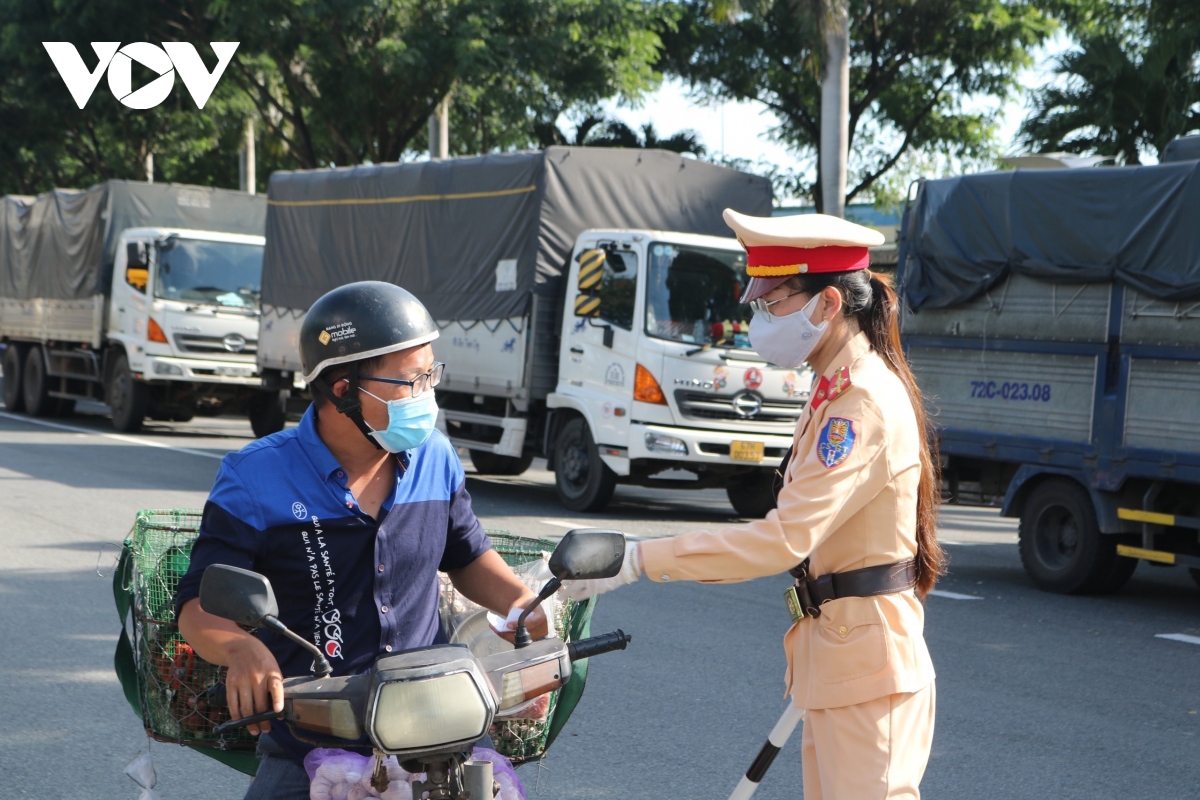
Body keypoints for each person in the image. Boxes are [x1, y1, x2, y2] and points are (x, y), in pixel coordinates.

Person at [565, 210, 946, 800]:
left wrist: (637, 559)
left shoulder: (860, 402)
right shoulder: (833, 389)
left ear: (827, 304)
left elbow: (782, 539)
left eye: (773, 303)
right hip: (841, 660)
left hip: (869, 669)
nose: (757, 320)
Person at [175, 280, 547, 799]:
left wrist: (520, 602)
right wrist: (240, 648)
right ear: (343, 389)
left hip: (438, 731)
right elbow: (197, 605)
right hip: (310, 739)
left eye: (430, 375)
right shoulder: (254, 477)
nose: (426, 394)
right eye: (410, 381)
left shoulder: (436, 458)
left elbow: (466, 555)